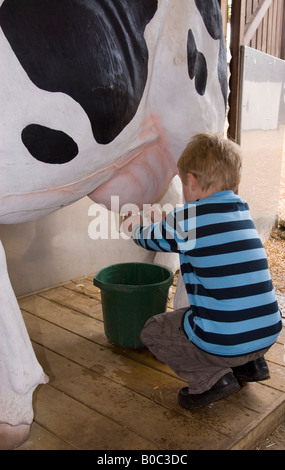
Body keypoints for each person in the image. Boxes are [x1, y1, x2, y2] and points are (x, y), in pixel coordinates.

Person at [129, 133, 282, 410]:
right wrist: (165, 220)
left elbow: (148, 238)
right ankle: (251, 366)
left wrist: (133, 227)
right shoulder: (241, 211)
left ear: (191, 181)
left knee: (153, 331)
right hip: (267, 332)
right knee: (237, 307)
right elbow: (193, 231)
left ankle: (211, 380)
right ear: (233, 182)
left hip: (224, 341)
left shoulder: (188, 220)